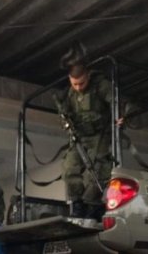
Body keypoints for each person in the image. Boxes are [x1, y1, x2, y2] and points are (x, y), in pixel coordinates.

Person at [57, 43, 121, 219]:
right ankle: (78, 204)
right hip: (80, 137)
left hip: (100, 134)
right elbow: (64, 114)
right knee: (69, 169)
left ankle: (92, 206)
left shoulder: (100, 85)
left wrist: (120, 115)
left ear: (88, 75)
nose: (78, 87)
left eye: (82, 83)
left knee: (99, 170)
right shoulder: (69, 94)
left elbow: (116, 101)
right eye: (74, 83)